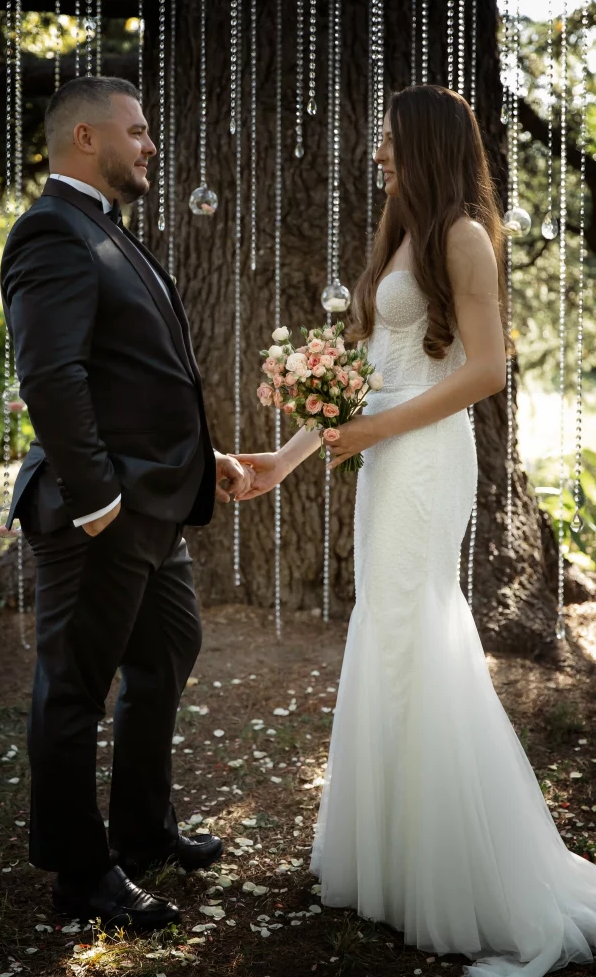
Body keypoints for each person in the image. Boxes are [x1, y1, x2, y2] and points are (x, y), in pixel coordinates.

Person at [236, 85, 596, 976]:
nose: (376, 155)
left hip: (427, 460)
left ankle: (461, 869)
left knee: (416, 633)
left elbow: (482, 373)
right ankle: (393, 861)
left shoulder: (462, 236)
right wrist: (280, 462)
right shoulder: (397, 236)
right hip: (385, 458)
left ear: (427, 146)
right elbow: (361, 371)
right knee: (387, 638)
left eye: (389, 142)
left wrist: (375, 430)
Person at [0, 75, 253, 932]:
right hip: (97, 511)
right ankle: (83, 875)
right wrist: (97, 497)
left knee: (167, 651)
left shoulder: (106, 230)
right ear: (84, 140)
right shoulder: (49, 231)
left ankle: (143, 830)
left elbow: (134, 374)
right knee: (73, 690)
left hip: (155, 502)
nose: (149, 146)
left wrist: (200, 456)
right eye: (137, 132)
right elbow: (50, 375)